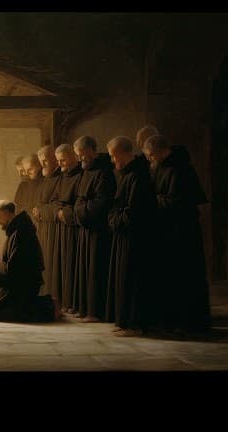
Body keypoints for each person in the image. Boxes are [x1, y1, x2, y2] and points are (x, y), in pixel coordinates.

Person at [143, 135, 211, 334]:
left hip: (183, 233)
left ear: (161, 151)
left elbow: (179, 201)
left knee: (184, 277)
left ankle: (188, 322)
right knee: (169, 278)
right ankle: (170, 320)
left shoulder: (181, 169)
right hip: (167, 232)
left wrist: (152, 200)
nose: (149, 159)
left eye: (151, 155)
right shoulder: (160, 167)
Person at [106, 136, 157, 337]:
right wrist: (114, 218)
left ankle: (134, 324)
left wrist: (115, 219)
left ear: (122, 153)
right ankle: (125, 321)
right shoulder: (128, 174)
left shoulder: (138, 175)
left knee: (133, 280)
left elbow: (134, 210)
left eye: (113, 156)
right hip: (124, 235)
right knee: (123, 279)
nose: (112, 161)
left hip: (135, 237)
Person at [0, 200, 59, 323]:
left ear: (7, 213)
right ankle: (44, 304)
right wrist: (1, 265)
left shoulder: (21, 232)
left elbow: (16, 269)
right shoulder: (16, 229)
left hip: (23, 284)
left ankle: (47, 306)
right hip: (15, 281)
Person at [72, 136, 116, 323]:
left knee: (95, 270)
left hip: (98, 230)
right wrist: (79, 210)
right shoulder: (86, 171)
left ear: (91, 151)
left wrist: (80, 211)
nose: (79, 158)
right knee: (85, 269)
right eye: (77, 155)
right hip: (86, 228)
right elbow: (79, 198)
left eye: (81, 154)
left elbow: (102, 201)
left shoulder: (103, 172)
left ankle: (96, 311)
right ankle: (86, 309)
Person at [50, 143, 83, 314]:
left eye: (63, 160)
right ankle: (64, 302)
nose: (60, 164)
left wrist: (66, 213)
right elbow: (54, 199)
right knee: (62, 267)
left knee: (72, 266)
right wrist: (58, 211)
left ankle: (73, 303)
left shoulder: (81, 175)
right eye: (58, 160)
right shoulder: (62, 177)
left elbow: (80, 201)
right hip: (62, 226)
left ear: (73, 157)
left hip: (74, 228)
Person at [31, 145, 61, 295]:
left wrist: (41, 211)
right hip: (44, 229)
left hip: (55, 230)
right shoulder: (44, 179)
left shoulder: (60, 178)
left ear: (55, 160)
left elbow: (58, 204)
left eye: (45, 161)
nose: (43, 165)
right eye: (41, 161)